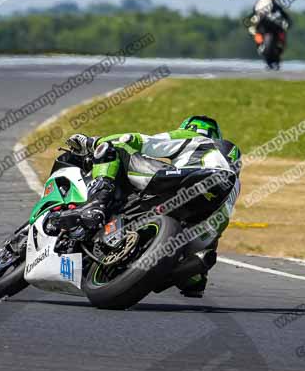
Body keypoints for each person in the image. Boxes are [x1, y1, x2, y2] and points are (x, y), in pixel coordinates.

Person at [65, 116, 241, 298]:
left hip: (190, 181)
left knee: (115, 149)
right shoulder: (234, 186)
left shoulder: (196, 138)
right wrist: (195, 277)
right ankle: (180, 270)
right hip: (205, 222)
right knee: (194, 274)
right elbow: (210, 242)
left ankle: (96, 204)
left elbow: (140, 141)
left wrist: (93, 142)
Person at [247, 0, 292, 69]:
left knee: (282, 32)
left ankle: (279, 48)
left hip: (275, 28)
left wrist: (287, 22)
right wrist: (252, 23)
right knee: (256, 33)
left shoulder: (277, 7)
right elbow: (252, 16)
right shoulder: (259, 7)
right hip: (263, 28)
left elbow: (285, 16)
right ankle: (260, 46)